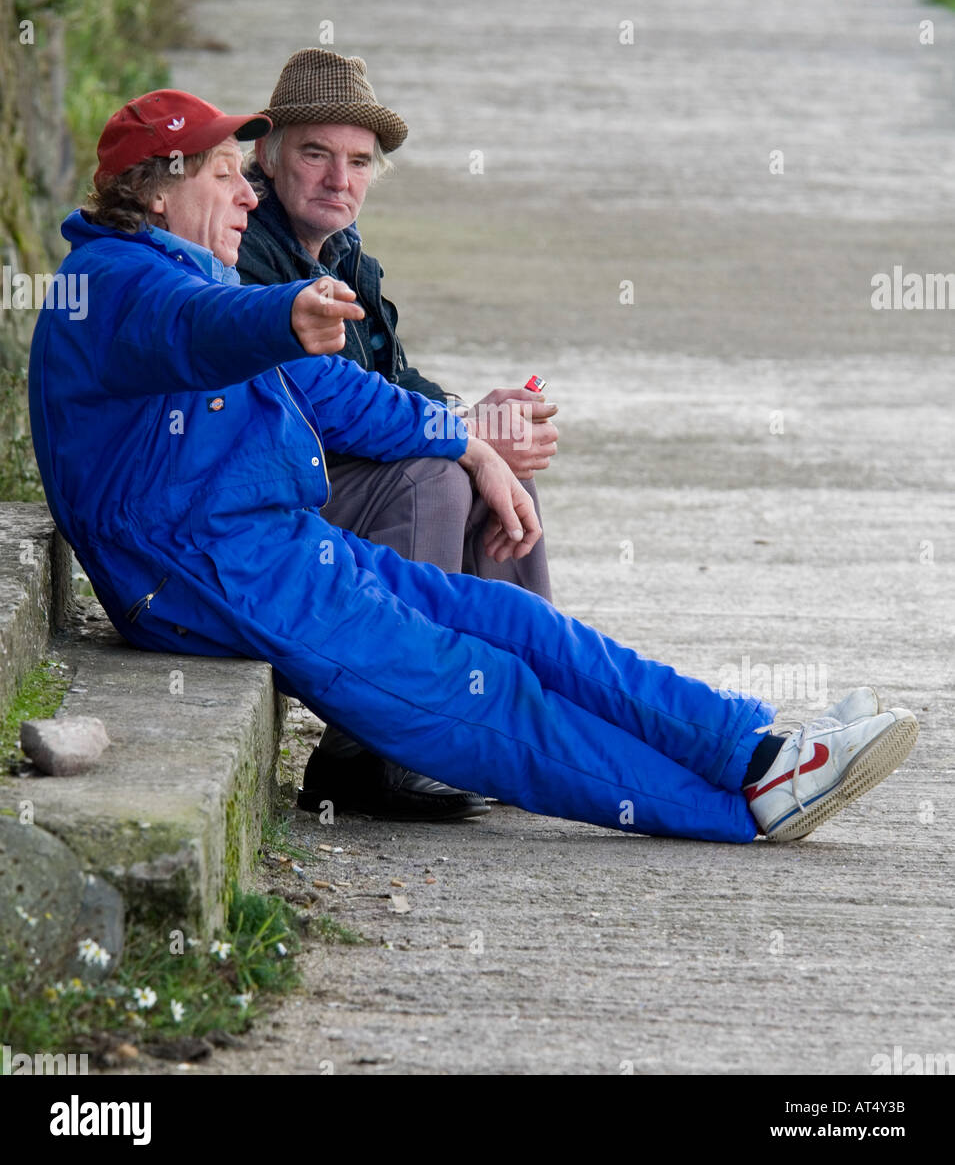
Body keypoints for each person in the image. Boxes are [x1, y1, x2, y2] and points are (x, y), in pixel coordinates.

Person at [28, 89, 919, 847]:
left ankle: (754, 748)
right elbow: (192, 331)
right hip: (204, 577)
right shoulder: (115, 286)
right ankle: (743, 812)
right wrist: (280, 314)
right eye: (225, 174)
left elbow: (334, 392)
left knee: (516, 624)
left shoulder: (190, 277)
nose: (247, 196)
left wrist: (470, 442)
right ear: (154, 192)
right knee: (479, 695)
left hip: (271, 547)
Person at [237, 48, 558, 821]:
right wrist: (461, 439)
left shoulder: (348, 256)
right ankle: (372, 748)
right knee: (435, 476)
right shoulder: (248, 251)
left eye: (357, 160)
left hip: (325, 482)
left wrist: (477, 419)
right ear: (268, 157)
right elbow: (315, 405)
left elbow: (387, 386)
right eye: (315, 154)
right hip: (265, 499)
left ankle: (509, 711)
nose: (337, 178)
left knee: (495, 481)